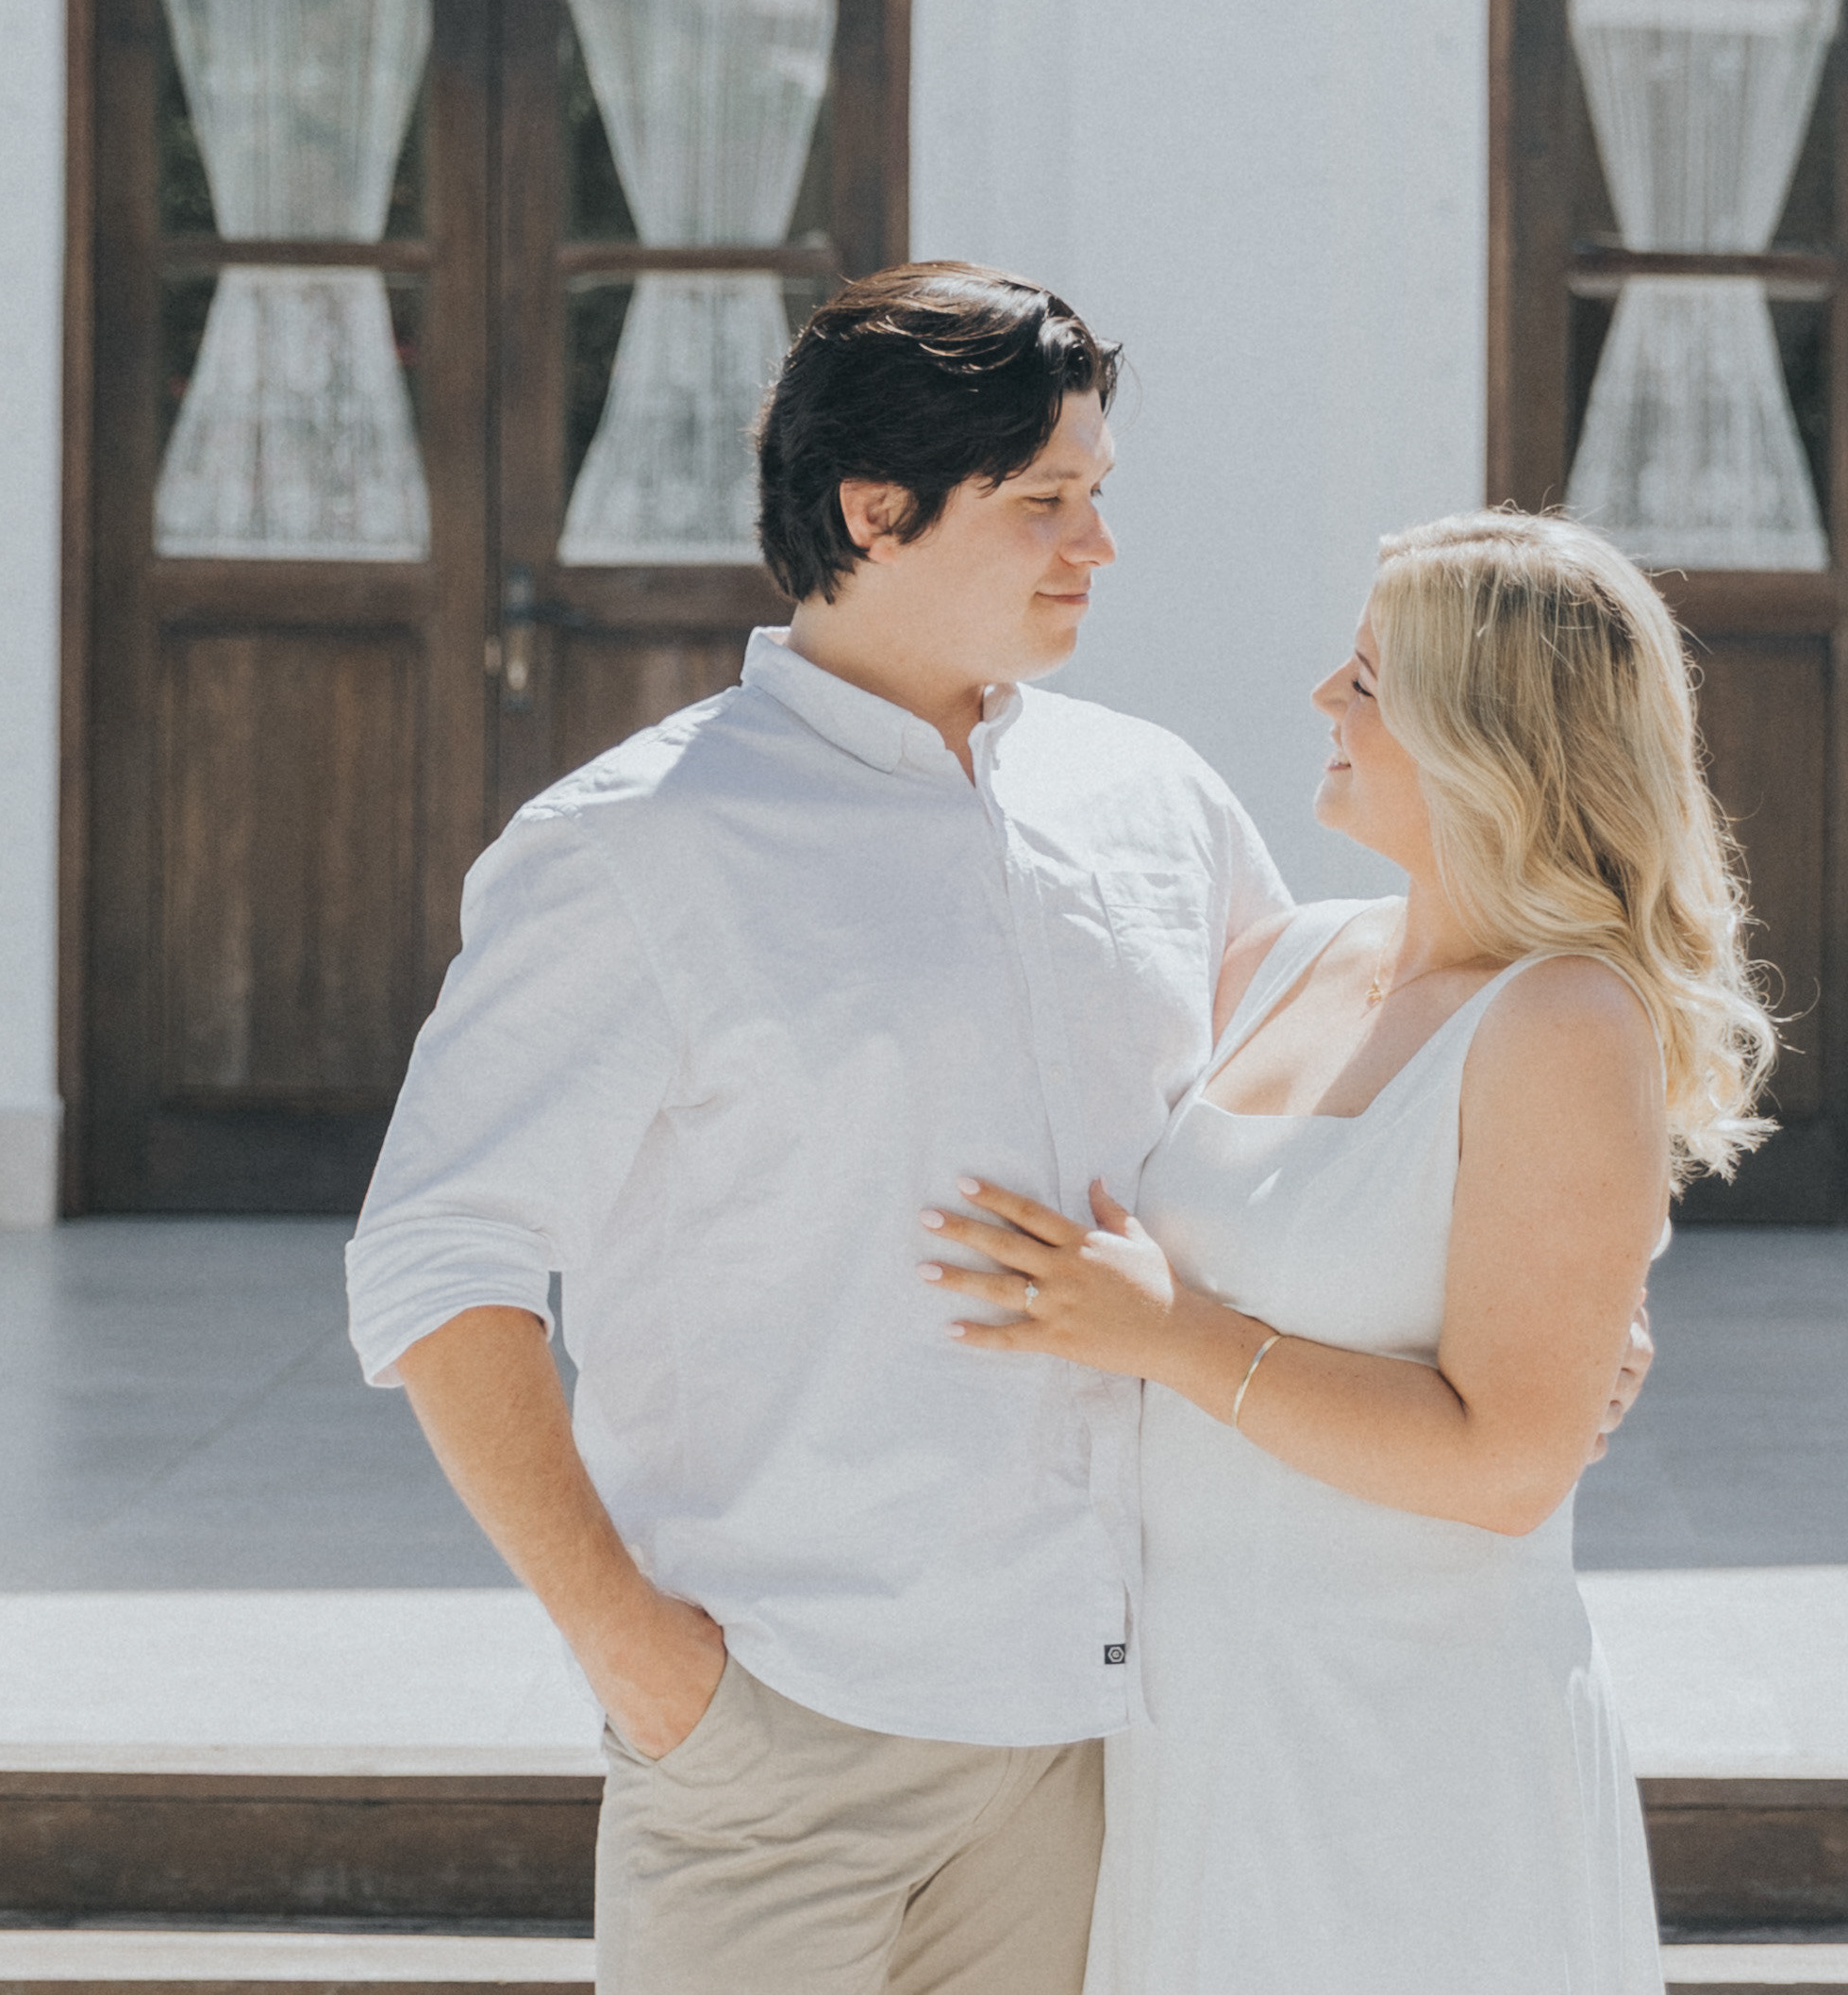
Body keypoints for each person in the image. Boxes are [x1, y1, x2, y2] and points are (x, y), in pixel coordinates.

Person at [344, 264, 1644, 1995]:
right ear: (874, 511)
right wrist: (646, 1665)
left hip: (1104, 1748)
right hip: (780, 1737)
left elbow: (1340, 1116)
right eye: (1043, 502)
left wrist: (1559, 1314)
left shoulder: (1153, 801)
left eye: (1095, 494)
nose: (1096, 546)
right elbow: (439, 1261)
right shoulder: (636, 847)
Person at [925, 510, 1775, 1995]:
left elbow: (1505, 1469)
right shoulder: (1291, 956)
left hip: (1411, 1754)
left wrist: (1168, 1337)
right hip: (1200, 1729)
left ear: (1485, 738)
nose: (1323, 695)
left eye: (1369, 679)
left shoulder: (1563, 1020)